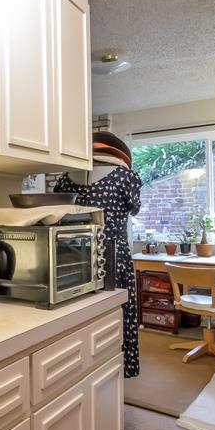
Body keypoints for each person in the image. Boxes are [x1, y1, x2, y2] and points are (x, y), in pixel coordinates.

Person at [52, 131, 142, 378]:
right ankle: (117, 369)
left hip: (73, 257)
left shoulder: (65, 180)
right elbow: (134, 209)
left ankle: (86, 370)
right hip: (114, 255)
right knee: (116, 314)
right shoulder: (127, 178)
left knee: (83, 316)